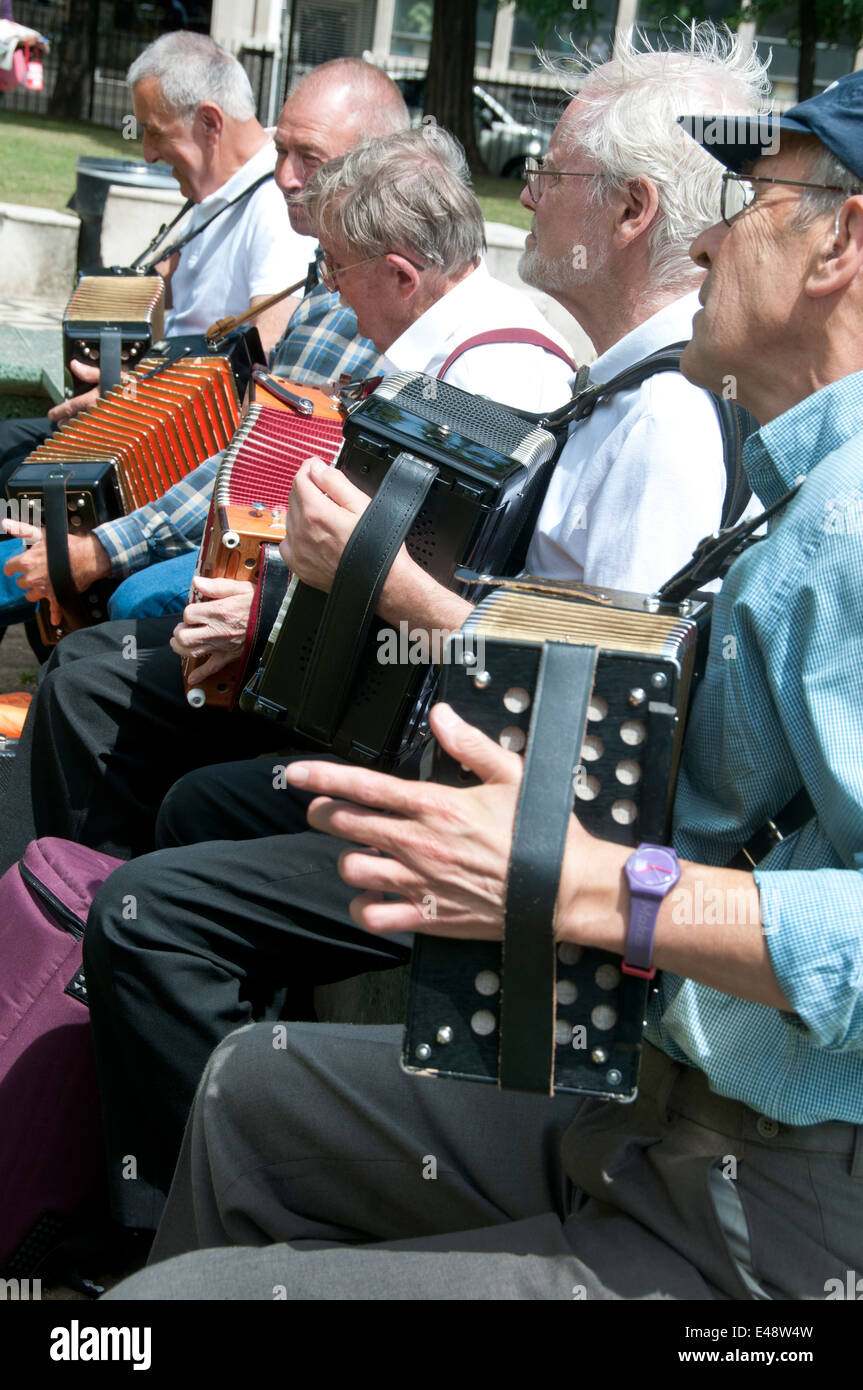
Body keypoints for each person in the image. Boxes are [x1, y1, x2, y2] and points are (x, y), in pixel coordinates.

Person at [105, 68, 863, 1303]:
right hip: (664, 1109)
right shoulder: (801, 486)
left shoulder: (842, 518)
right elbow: (627, 687)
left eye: (753, 196)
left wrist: (591, 888)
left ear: (842, 238)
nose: (710, 234)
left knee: (146, 1314)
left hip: (762, 1208)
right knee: (249, 1088)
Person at [0, 31, 314, 630]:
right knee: (13, 465)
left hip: (180, 458)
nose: (145, 153)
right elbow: (187, 337)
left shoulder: (273, 211)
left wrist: (134, 397)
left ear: (209, 122)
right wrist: (128, 376)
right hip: (148, 425)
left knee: (21, 503)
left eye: (154, 131)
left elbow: (263, 375)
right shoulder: (215, 194)